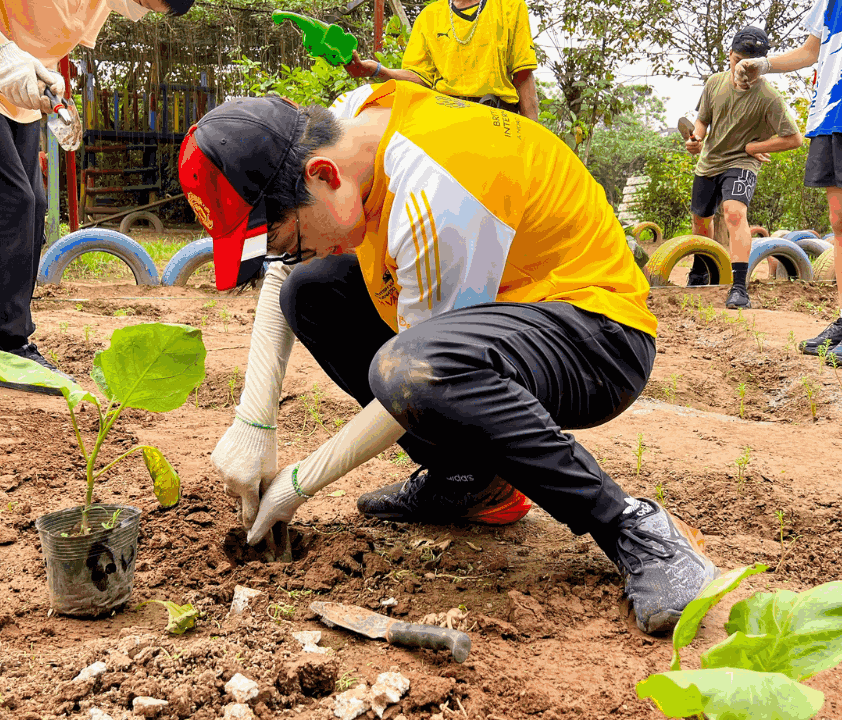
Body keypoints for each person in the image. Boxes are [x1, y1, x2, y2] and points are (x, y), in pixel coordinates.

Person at [179, 81, 721, 635]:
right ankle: (470, 481)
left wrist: (298, 484)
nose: (289, 255)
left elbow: (416, 378)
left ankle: (638, 532)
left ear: (323, 177)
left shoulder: (436, 194)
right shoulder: (347, 126)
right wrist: (254, 424)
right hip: (499, 317)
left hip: (597, 337)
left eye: (285, 238)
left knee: (411, 367)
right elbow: (287, 273)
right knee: (309, 292)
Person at [0, 0, 194, 392]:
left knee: (36, 205)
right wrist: (4, 52)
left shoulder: (99, 5)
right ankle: (7, 341)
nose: (138, 10)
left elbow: (42, 38)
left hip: (11, 90)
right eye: (144, 1)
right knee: (10, 200)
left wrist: (47, 85)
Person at [735, 4, 842, 364]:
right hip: (832, 111)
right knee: (840, 221)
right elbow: (811, 52)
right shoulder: (827, 3)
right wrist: (762, 65)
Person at [684, 26, 802, 308]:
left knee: (734, 213)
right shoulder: (714, 83)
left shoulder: (769, 97)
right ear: (730, 56)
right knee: (701, 220)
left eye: (752, 66)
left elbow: (794, 138)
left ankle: (739, 288)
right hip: (710, 161)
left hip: (742, 163)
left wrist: (754, 148)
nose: (744, 71)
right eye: (739, 62)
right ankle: (702, 271)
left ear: (761, 65)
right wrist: (696, 139)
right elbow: (703, 120)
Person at [342, 0, 539, 121]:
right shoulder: (429, 17)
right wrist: (377, 70)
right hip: (447, 121)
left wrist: (534, 135)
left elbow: (522, 74)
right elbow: (420, 78)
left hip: (499, 120)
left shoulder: (510, 6)